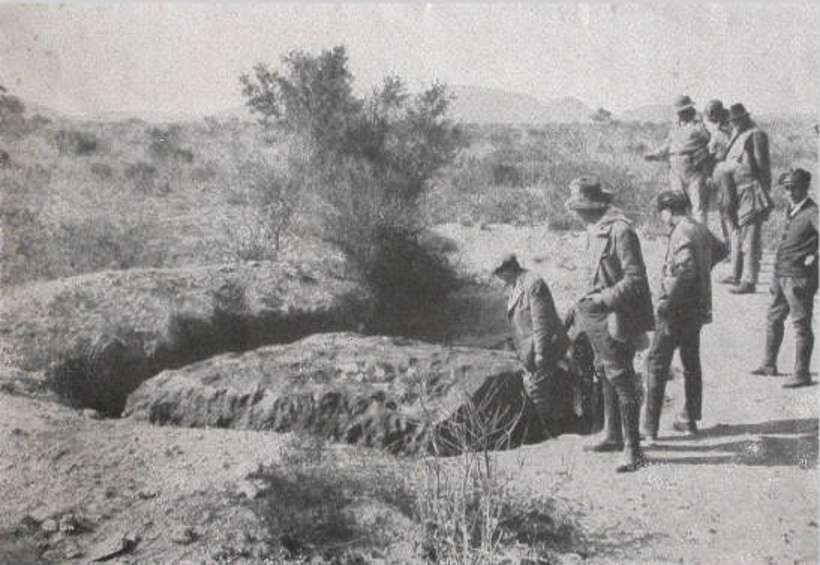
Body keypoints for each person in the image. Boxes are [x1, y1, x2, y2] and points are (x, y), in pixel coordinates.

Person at [565, 175, 654, 472]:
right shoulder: (595, 230)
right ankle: (613, 434)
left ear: (590, 207)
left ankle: (634, 450)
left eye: (578, 208)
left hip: (615, 316)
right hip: (594, 316)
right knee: (604, 372)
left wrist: (603, 299)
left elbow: (635, 279)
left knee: (622, 378)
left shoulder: (621, 231)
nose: (575, 213)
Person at [643, 192, 728, 439]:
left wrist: (668, 304)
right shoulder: (698, 228)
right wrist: (704, 271)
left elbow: (686, 271)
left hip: (677, 310)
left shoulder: (681, 232)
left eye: (662, 212)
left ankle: (649, 429)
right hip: (696, 309)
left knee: (656, 363)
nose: (661, 217)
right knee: (691, 362)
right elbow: (722, 250)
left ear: (668, 211)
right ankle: (689, 419)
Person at [750, 169, 818, 388]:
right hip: (781, 274)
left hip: (799, 277)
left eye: (793, 188)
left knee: (800, 324)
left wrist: (815, 256)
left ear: (804, 188)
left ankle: (802, 373)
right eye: (786, 188)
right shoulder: (792, 210)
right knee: (774, 318)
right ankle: (769, 364)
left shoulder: (813, 212)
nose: (789, 192)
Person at [493, 254, 572, 435]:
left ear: (509, 269)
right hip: (528, 349)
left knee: (538, 390)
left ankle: (551, 432)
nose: (498, 277)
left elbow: (541, 322)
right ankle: (551, 428)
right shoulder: (515, 285)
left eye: (499, 273)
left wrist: (540, 353)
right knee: (537, 389)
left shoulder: (534, 284)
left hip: (543, 346)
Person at [718, 103, 773, 294]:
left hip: (751, 190)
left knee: (750, 236)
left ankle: (749, 280)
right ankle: (737, 273)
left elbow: (762, 165)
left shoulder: (756, 135)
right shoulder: (737, 135)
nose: (733, 124)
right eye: (732, 121)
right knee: (738, 234)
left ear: (745, 118)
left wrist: (764, 190)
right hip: (736, 191)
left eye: (736, 120)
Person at [645, 94, 712, 224]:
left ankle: (700, 234)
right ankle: (682, 232)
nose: (680, 114)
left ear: (689, 110)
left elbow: (710, 141)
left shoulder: (698, 127)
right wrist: (654, 154)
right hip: (675, 170)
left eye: (683, 111)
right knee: (677, 204)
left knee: (697, 205)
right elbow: (667, 145)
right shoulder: (675, 128)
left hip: (693, 169)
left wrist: (703, 155)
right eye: (679, 112)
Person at [703, 99, 734, 256]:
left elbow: (713, 154)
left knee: (725, 212)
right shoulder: (730, 127)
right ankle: (732, 246)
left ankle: (730, 247)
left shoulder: (721, 133)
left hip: (723, 173)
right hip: (731, 173)